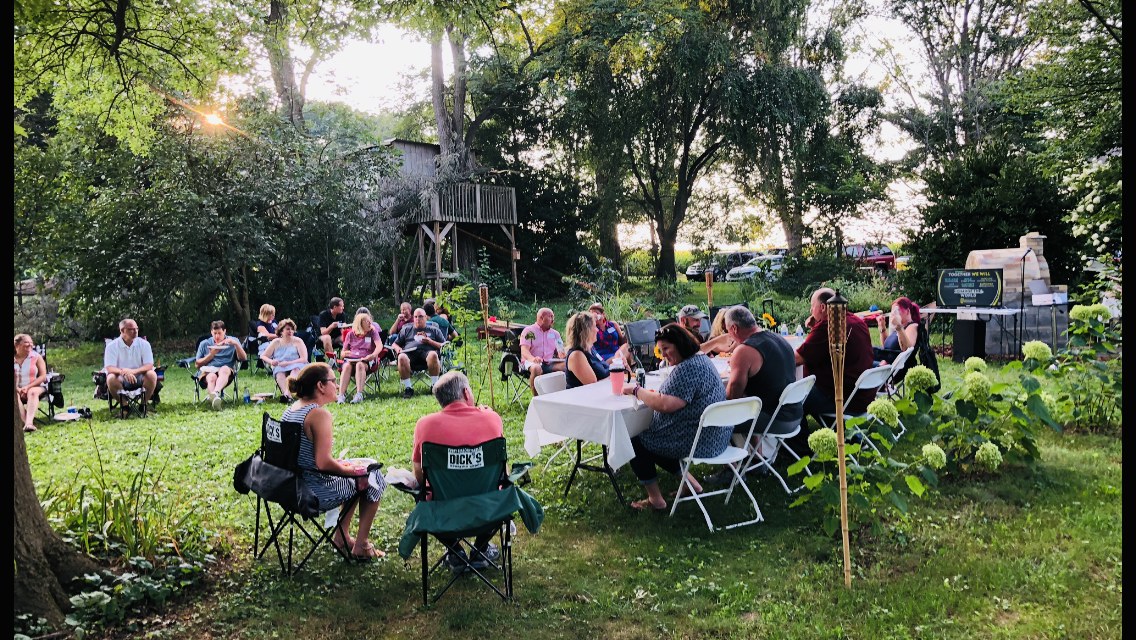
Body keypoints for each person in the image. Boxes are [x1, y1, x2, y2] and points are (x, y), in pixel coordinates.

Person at [619, 323, 726, 511]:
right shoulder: (700, 359)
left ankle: (655, 500)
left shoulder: (688, 368)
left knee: (636, 439)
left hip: (699, 440)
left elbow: (665, 405)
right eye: (661, 350)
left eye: (666, 349)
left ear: (680, 343)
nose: (664, 355)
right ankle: (691, 484)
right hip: (717, 435)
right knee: (655, 438)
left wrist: (636, 390)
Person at [285, 363, 386, 560]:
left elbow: (308, 456)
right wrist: (353, 471)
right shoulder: (318, 414)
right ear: (320, 386)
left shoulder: (293, 409)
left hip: (291, 487)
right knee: (371, 476)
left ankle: (341, 536)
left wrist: (347, 467)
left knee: (359, 472)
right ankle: (361, 545)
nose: (338, 385)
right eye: (333, 380)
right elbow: (323, 464)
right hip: (313, 492)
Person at [411, 371, 504, 569]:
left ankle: (455, 551)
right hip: (489, 508)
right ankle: (480, 549)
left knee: (422, 497)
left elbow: (419, 475)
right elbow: (502, 471)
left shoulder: (424, 425)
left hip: (443, 512)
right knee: (503, 490)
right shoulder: (492, 419)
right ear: (466, 393)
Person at [707, 306, 801, 481]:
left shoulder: (744, 351)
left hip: (775, 420)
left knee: (717, 418)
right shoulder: (778, 338)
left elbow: (732, 398)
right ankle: (757, 460)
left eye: (728, 332)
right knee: (749, 405)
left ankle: (730, 470)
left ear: (734, 328)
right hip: (794, 415)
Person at [795, 287, 875, 429]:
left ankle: (798, 446)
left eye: (812, 307)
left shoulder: (829, 325)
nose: (810, 312)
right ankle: (846, 433)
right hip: (863, 394)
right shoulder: (856, 321)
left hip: (840, 396)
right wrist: (816, 327)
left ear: (822, 307)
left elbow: (797, 359)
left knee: (793, 398)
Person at [103, 318, 159, 412]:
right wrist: (123, 372)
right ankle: (125, 406)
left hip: (140, 376)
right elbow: (109, 367)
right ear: (122, 330)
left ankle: (143, 405)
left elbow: (149, 365)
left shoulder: (144, 344)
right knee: (110, 378)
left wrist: (133, 371)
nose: (135, 331)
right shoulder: (112, 346)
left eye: (136, 329)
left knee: (152, 374)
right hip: (120, 377)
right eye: (131, 329)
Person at [564, 311, 631, 389]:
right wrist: (618, 373)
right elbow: (593, 386)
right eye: (595, 326)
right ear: (586, 331)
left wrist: (621, 367)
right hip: (584, 399)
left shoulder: (590, 349)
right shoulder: (576, 355)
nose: (597, 330)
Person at [390, 308, 447, 398]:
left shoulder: (434, 330)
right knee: (401, 357)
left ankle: (434, 386)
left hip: (427, 355)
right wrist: (398, 349)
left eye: (420, 316)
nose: (417, 319)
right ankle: (408, 388)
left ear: (425, 318)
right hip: (410, 355)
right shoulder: (406, 329)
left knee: (433, 354)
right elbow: (394, 344)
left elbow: (444, 346)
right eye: (415, 317)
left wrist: (430, 341)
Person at [194, 320, 248, 410]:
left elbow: (243, 358)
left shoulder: (233, 341)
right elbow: (197, 364)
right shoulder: (205, 344)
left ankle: (215, 392)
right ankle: (215, 402)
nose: (217, 336)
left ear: (225, 331)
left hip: (226, 371)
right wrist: (211, 354)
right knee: (211, 377)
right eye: (214, 333)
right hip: (209, 371)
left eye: (219, 333)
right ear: (211, 332)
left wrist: (236, 345)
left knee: (224, 369)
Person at [336, 311, 384, 404]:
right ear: (360, 323)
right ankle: (341, 396)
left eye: (370, 321)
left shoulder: (372, 332)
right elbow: (342, 352)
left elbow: (379, 346)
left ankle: (359, 395)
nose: (370, 323)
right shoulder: (350, 334)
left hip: (367, 361)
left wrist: (373, 355)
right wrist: (345, 354)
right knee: (346, 366)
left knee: (360, 365)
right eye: (367, 321)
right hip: (351, 360)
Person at [519, 308, 566, 395]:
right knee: (537, 368)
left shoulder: (555, 334)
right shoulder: (530, 331)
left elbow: (561, 351)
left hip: (549, 362)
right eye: (550, 316)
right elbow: (524, 351)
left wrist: (563, 354)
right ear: (541, 318)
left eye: (553, 316)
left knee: (567, 365)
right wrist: (533, 359)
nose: (553, 319)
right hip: (531, 362)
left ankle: (561, 395)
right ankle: (537, 398)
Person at [260, 318, 308, 403]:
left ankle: (287, 394)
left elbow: (304, 359)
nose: (290, 331)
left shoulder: (298, 341)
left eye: (292, 329)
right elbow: (263, 356)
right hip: (281, 366)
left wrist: (288, 363)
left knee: (295, 370)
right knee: (279, 373)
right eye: (288, 329)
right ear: (281, 331)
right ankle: (287, 395)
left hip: (297, 364)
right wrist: (271, 362)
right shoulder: (276, 342)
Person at [14, 333, 48, 433]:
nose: (30, 345)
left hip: (35, 386)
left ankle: (29, 422)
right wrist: (18, 389)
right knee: (14, 395)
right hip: (16, 389)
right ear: (17, 345)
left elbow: (43, 376)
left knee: (32, 392)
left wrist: (27, 387)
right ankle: (26, 424)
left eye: (31, 343)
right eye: (26, 343)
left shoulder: (36, 357)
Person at [875, 297, 920, 364]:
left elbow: (906, 350)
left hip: (897, 368)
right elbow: (886, 347)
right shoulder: (899, 328)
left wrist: (898, 326)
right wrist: (882, 328)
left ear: (907, 311)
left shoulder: (912, 326)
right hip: (886, 364)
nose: (893, 314)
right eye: (892, 311)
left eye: (897, 310)